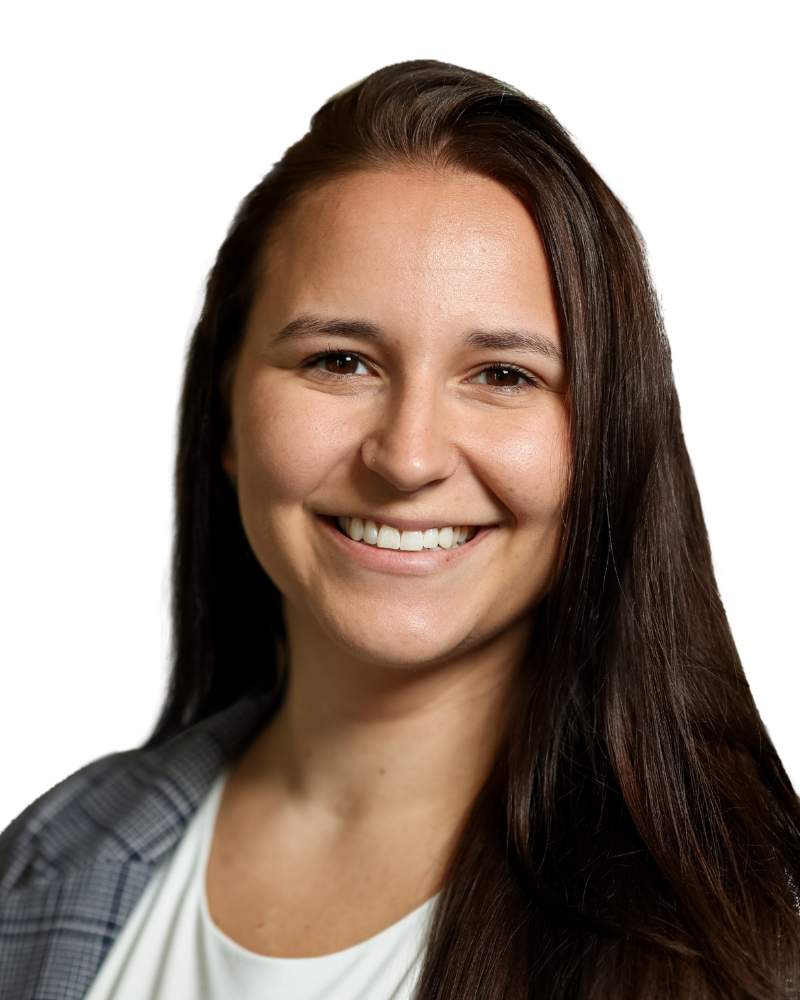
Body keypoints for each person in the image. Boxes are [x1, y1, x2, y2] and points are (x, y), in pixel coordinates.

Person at [1, 58, 798, 1000]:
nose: (408, 458)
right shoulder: (42, 855)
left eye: (503, 375)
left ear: (608, 443)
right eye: (339, 361)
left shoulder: (765, 926)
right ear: (223, 415)